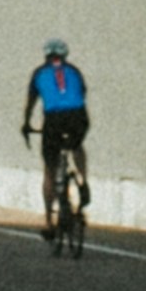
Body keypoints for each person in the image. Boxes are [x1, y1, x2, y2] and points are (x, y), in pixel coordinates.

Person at [21, 39, 90, 237]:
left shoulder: (39, 73)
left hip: (53, 119)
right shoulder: (74, 71)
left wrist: (26, 125)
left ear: (46, 56)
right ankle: (84, 182)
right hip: (78, 115)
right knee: (77, 144)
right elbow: (82, 93)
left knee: (49, 170)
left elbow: (30, 104)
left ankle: (49, 222)